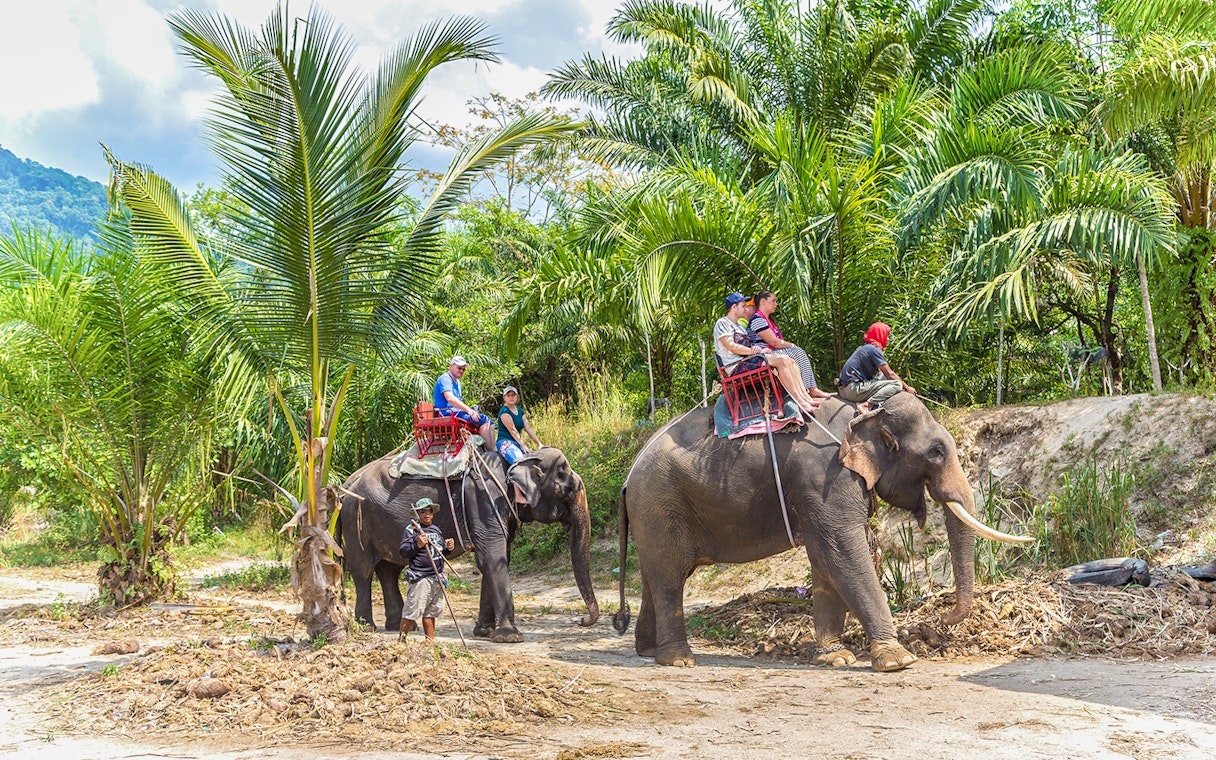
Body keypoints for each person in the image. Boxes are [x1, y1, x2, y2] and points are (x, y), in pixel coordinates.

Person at [714, 292, 821, 415]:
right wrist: (752, 352)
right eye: (743, 306)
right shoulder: (722, 323)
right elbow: (731, 346)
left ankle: (804, 397)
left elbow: (749, 346)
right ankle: (799, 400)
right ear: (734, 307)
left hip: (747, 360)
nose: (746, 309)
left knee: (788, 359)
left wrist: (761, 350)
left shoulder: (740, 327)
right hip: (736, 366)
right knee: (781, 360)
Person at [749, 290, 832, 399]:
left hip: (771, 351)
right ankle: (811, 389)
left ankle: (809, 388)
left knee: (797, 352)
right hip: (766, 353)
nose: (776, 304)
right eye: (773, 301)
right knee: (797, 351)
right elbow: (774, 342)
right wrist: (793, 345)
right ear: (763, 302)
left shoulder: (767, 320)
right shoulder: (757, 320)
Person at [398, 498, 455, 641]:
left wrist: (448, 548)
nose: (427, 513)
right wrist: (417, 545)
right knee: (413, 610)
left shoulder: (436, 530)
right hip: (421, 577)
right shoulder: (412, 530)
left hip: (437, 577)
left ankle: (430, 642)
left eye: (429, 510)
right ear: (417, 513)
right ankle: (401, 640)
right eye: (423, 511)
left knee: (431, 612)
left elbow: (439, 552)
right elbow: (403, 552)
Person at [836, 322, 917, 411]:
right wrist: (907, 388)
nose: (888, 339)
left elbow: (882, 375)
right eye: (887, 335)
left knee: (884, 379)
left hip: (844, 390)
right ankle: (867, 405)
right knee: (897, 384)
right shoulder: (874, 349)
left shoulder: (865, 348)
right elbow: (890, 374)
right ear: (880, 334)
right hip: (853, 390)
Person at [434, 355, 493, 441]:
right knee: (484, 420)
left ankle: (493, 449)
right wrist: (469, 410)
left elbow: (458, 401)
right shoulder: (445, 379)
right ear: (451, 366)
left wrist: (471, 410)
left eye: (463, 369)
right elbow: (450, 398)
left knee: (490, 422)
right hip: (447, 413)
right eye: (459, 368)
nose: (461, 371)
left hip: (456, 413)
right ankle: (489, 450)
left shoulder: (458, 382)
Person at [496, 385, 542, 466]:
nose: (511, 397)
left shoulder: (520, 411)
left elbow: (528, 428)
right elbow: (513, 430)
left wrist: (539, 443)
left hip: (516, 442)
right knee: (520, 462)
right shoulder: (504, 411)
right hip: (505, 442)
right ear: (504, 397)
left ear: (517, 397)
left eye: (513, 395)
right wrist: (523, 445)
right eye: (508, 395)